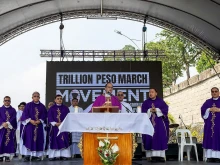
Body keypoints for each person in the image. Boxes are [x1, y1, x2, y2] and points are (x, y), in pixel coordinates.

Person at [142, 88, 169, 162]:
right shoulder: (146, 103)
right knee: (149, 137)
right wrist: (149, 110)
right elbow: (143, 112)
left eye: (152, 92)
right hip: (149, 123)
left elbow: (165, 110)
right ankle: (151, 156)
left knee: (159, 137)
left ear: (156, 93)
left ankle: (160, 156)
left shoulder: (161, 102)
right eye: (149, 92)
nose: (150, 93)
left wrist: (157, 110)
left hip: (159, 123)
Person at [20, 92, 47, 162]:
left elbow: (44, 115)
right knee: (29, 139)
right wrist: (30, 120)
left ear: (39, 97)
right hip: (29, 126)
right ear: (32, 97)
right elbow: (25, 114)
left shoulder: (42, 106)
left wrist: (40, 120)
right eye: (35, 96)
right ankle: (27, 155)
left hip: (39, 126)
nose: (36, 97)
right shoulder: (28, 105)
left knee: (38, 140)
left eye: (37, 96)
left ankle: (36, 155)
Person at [48, 95, 71, 161]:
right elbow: (49, 117)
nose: (59, 100)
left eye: (61, 99)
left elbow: (68, 117)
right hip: (55, 127)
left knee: (64, 140)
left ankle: (64, 155)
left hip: (63, 127)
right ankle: (54, 156)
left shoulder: (66, 108)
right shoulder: (51, 108)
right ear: (55, 100)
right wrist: (55, 123)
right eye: (58, 99)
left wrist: (62, 123)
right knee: (54, 140)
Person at [201, 87, 220, 163]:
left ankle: (218, 157)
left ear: (219, 92)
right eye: (212, 92)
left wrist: (219, 110)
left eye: (216, 91)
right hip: (209, 126)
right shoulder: (208, 102)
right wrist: (209, 109)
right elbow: (202, 110)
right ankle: (209, 157)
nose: (214, 93)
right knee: (209, 138)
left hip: (219, 125)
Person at [0, 96, 17, 162]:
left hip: (9, 128)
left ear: (10, 101)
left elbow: (14, 117)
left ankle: (7, 156)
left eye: (8, 100)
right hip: (1, 128)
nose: (7, 102)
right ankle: (0, 156)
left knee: (8, 141)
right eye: (6, 100)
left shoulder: (13, 110)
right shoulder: (0, 109)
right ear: (3, 101)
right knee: (1, 141)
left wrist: (8, 123)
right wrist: (2, 123)